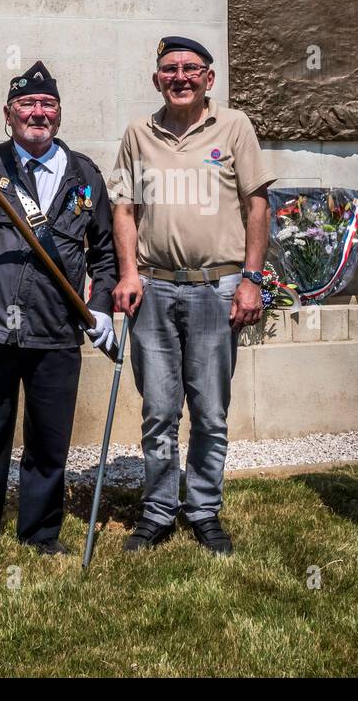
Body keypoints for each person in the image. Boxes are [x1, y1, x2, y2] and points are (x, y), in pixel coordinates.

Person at [0, 61, 117, 571]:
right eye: (27, 104)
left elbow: (105, 253)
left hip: (55, 328)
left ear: (59, 115)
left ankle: (41, 531)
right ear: (8, 114)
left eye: (47, 105)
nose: (37, 113)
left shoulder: (85, 174)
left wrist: (101, 307)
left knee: (49, 439)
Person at [109, 36, 275, 556]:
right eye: (169, 70)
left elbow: (257, 207)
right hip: (154, 289)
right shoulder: (139, 133)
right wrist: (128, 274)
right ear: (157, 79)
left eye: (190, 69)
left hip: (216, 288)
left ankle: (203, 509)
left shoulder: (235, 127)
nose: (179, 77)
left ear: (209, 77)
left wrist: (251, 279)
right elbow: (124, 209)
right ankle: (158, 509)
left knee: (209, 411)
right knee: (159, 410)